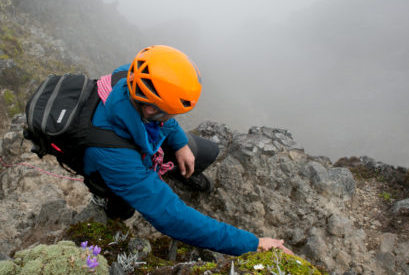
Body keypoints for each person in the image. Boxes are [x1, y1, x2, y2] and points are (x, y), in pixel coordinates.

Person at [83, 45, 293, 256]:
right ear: (150, 109)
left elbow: (164, 122)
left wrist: (181, 145)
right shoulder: (113, 153)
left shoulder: (139, 79)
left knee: (206, 151)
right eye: (170, 113)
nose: (172, 118)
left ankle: (170, 169)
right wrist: (252, 243)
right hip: (110, 165)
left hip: (132, 136)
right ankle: (106, 199)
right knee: (123, 210)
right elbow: (173, 217)